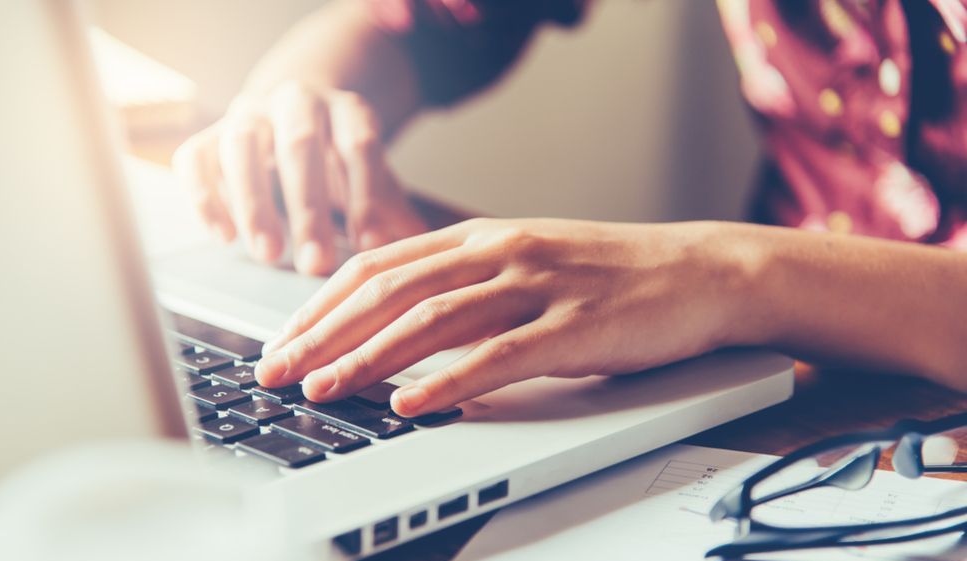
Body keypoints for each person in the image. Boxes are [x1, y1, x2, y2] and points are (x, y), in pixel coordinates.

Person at [173, 0, 967, 418]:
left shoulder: (737, 277)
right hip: (782, 386)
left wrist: (734, 272)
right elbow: (418, 22)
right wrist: (295, 104)